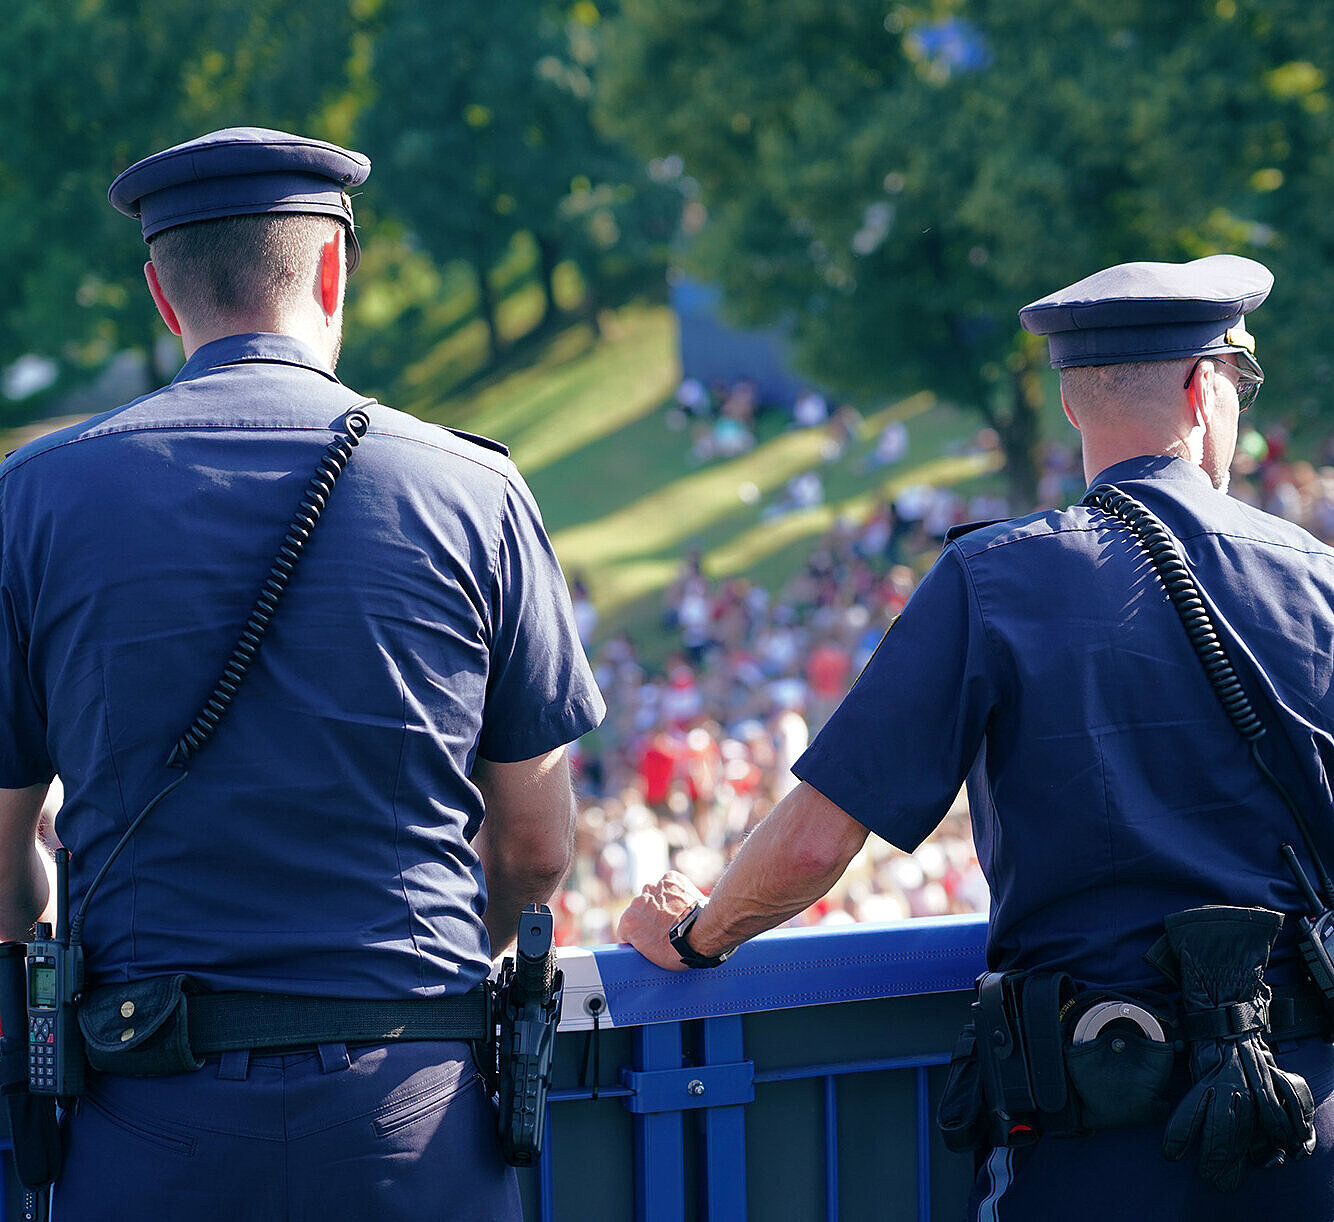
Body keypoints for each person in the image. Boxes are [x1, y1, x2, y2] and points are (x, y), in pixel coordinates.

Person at [619, 255, 1334, 1218]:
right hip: (1311, 1122)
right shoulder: (1318, 578)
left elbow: (820, 838)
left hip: (1101, 1136)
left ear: (1074, 407)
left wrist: (693, 936)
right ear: (1205, 390)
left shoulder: (993, 577)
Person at [0, 127, 604, 1220]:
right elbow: (534, 844)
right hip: (414, 1110)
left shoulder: (34, 497)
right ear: (334, 266)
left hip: (142, 1111)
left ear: (160, 292)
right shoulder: (473, 492)